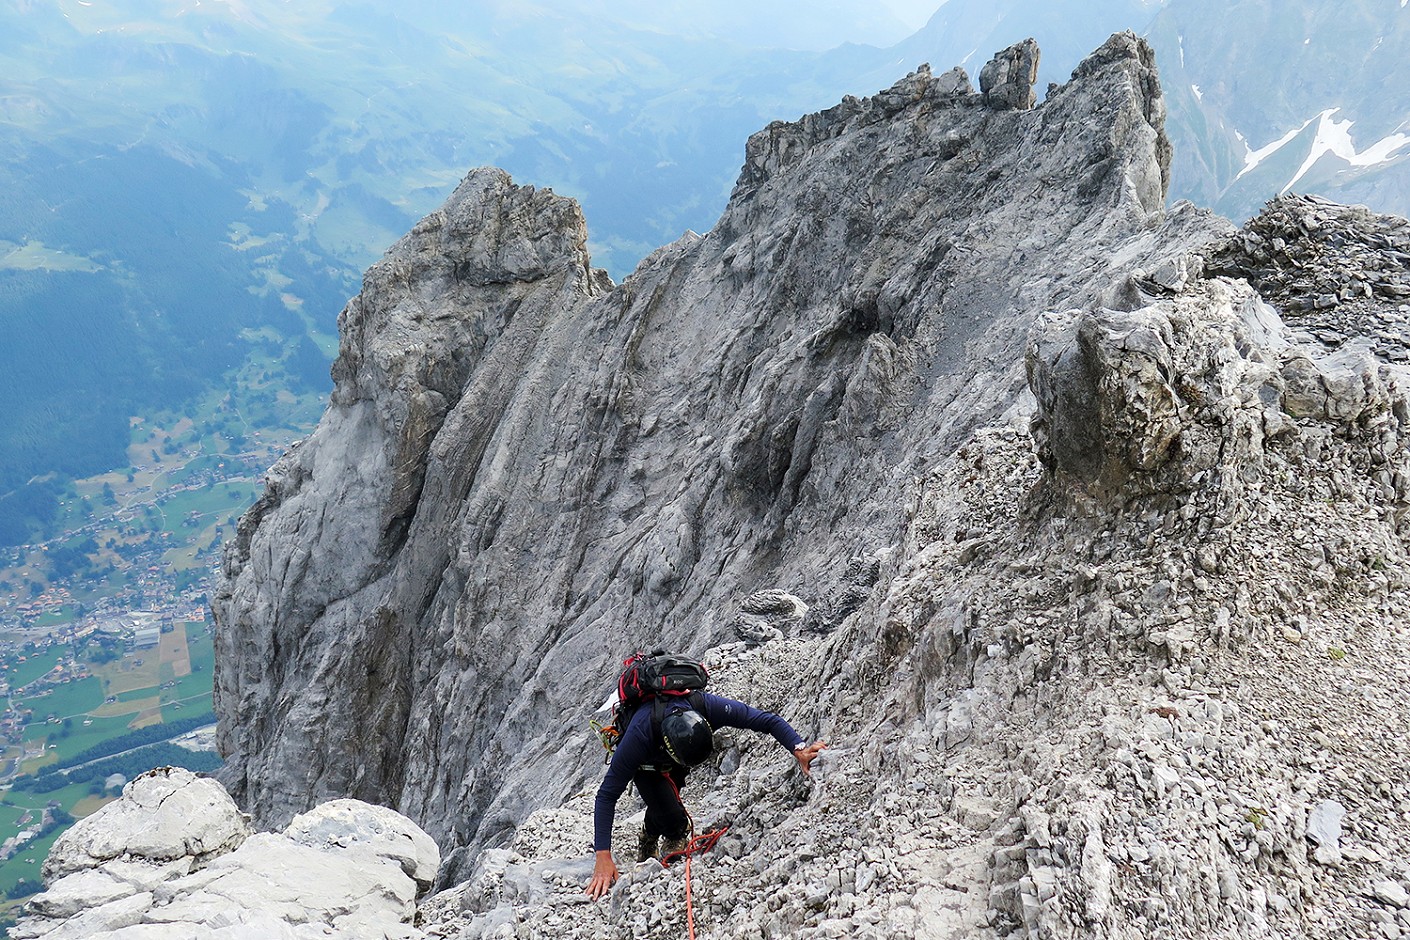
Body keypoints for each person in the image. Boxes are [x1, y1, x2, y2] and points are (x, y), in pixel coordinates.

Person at [584, 690, 827, 899]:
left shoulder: (707, 706)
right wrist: (603, 855)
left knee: (667, 804)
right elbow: (606, 795)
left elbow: (766, 720)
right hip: (647, 766)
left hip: (677, 760)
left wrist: (799, 748)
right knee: (673, 820)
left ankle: (657, 825)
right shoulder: (639, 736)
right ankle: (651, 836)